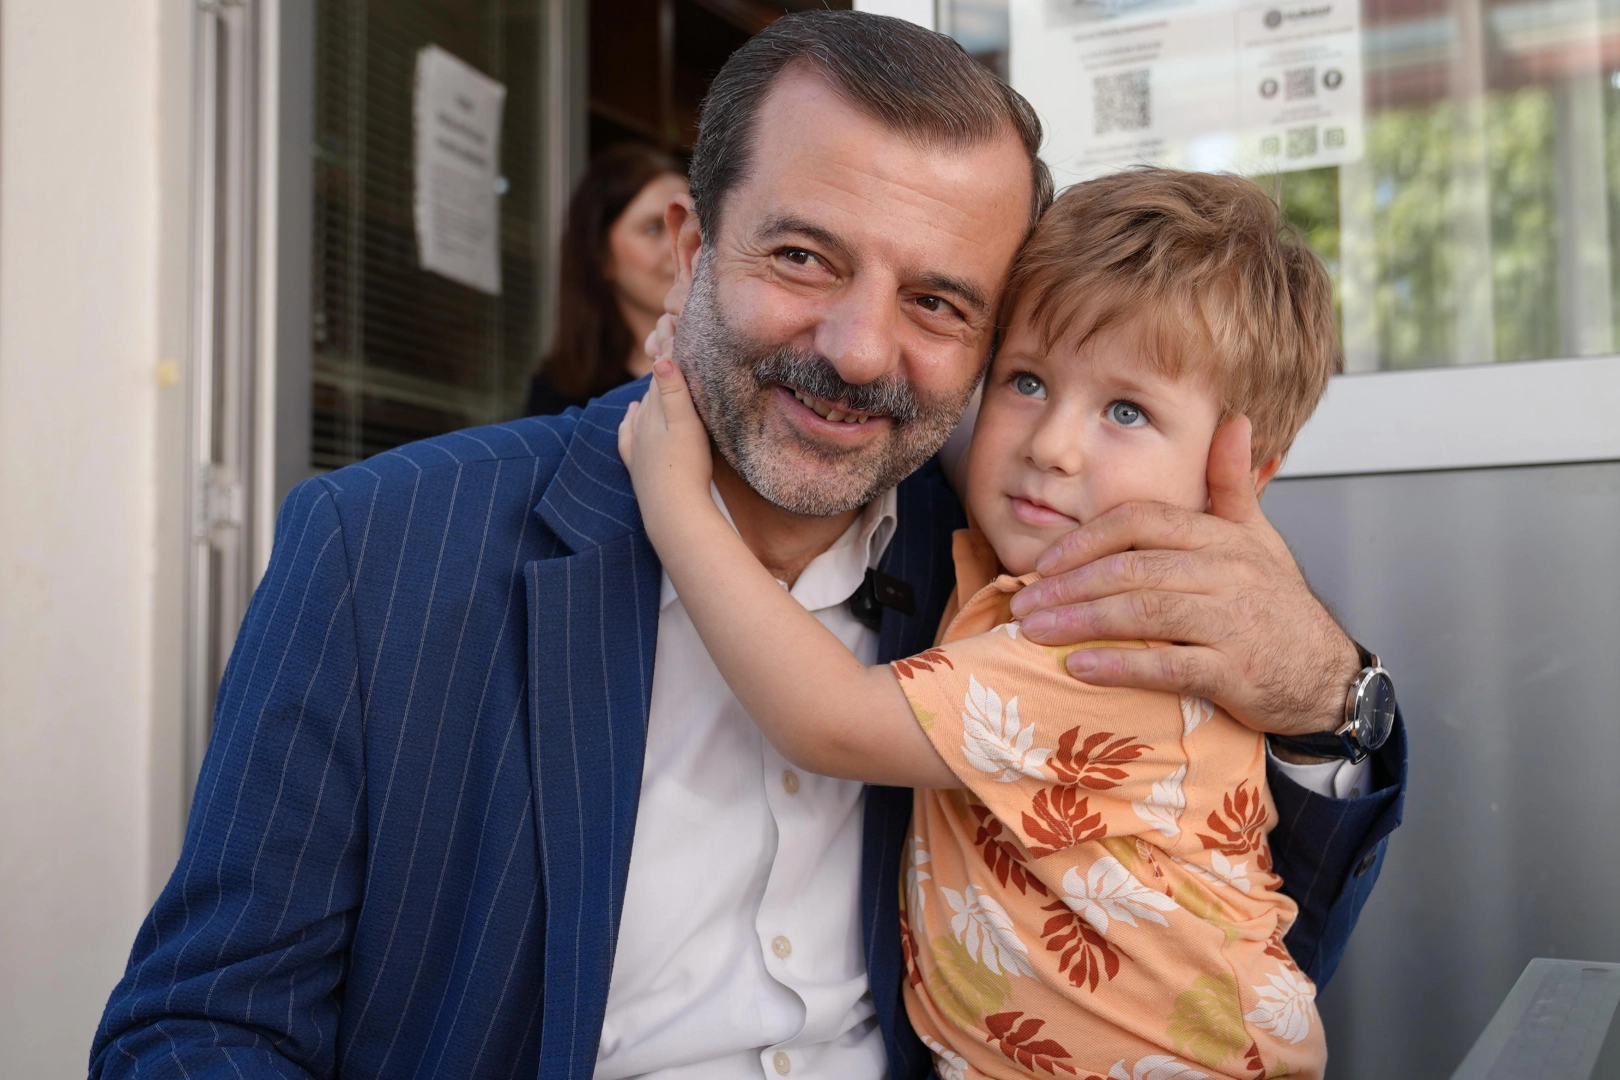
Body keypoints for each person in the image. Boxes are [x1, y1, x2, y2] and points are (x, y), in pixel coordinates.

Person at [89, 13, 1405, 1080]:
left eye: (937, 300)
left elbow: (1211, 938)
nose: (859, 350)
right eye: (803, 256)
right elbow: (199, 1030)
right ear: (691, 251)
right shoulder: (384, 548)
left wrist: (1325, 700)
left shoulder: (1023, 572)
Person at [620, 168, 1340, 1080]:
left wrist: (678, 505)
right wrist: (709, 344)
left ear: (1239, 468)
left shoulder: (1113, 648)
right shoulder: (1057, 544)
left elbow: (827, 720)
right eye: (1027, 381)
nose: (1053, 446)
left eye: (1127, 412)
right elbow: (944, 422)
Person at [526, 143, 688, 416]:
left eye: (689, 224)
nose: (680, 244)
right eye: (653, 229)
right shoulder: (562, 395)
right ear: (602, 256)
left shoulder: (738, 361)